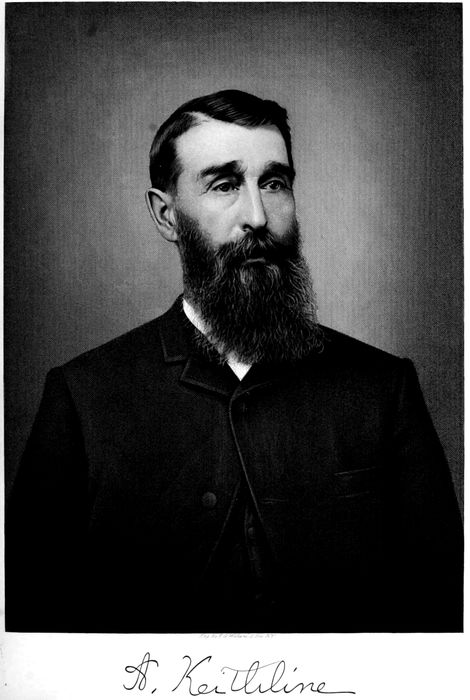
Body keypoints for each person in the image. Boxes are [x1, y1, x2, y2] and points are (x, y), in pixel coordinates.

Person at [6, 90, 463, 633]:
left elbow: (443, 621)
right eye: (224, 185)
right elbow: (32, 632)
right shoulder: (82, 397)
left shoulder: (384, 388)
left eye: (274, 183)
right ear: (166, 215)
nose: (258, 216)